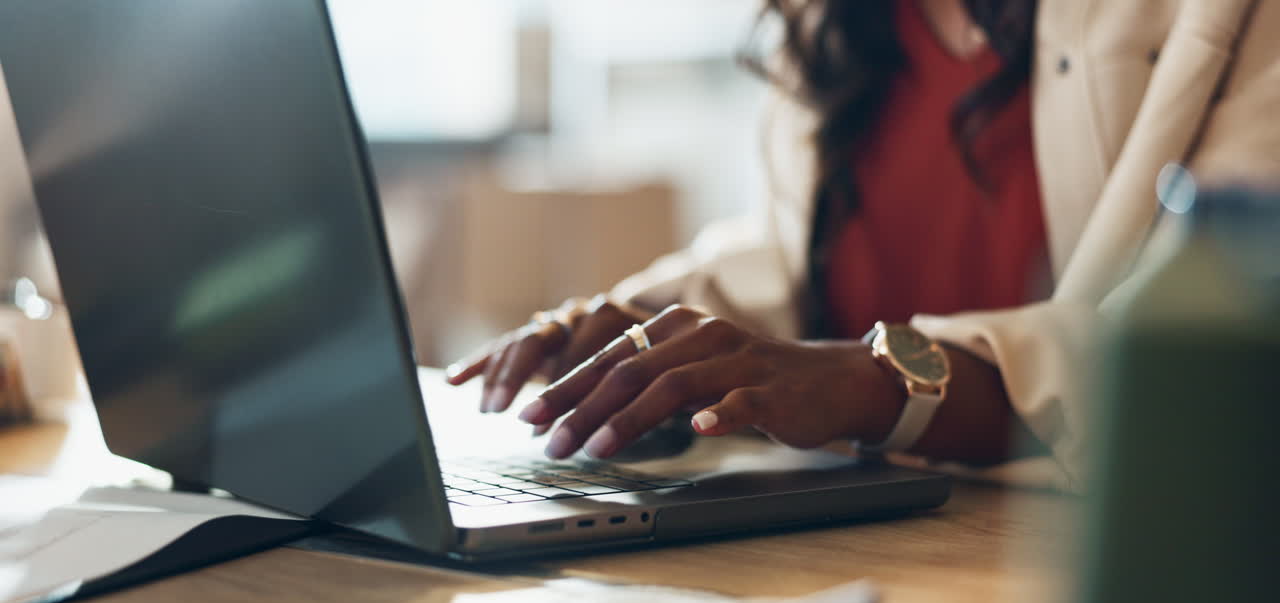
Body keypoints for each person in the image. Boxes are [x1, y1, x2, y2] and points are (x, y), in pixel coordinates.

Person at [448, 0, 1280, 490]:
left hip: (1087, 573)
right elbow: (791, 255)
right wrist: (639, 332)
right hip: (859, 565)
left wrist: (880, 384)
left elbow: (1231, 325)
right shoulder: (835, 20)